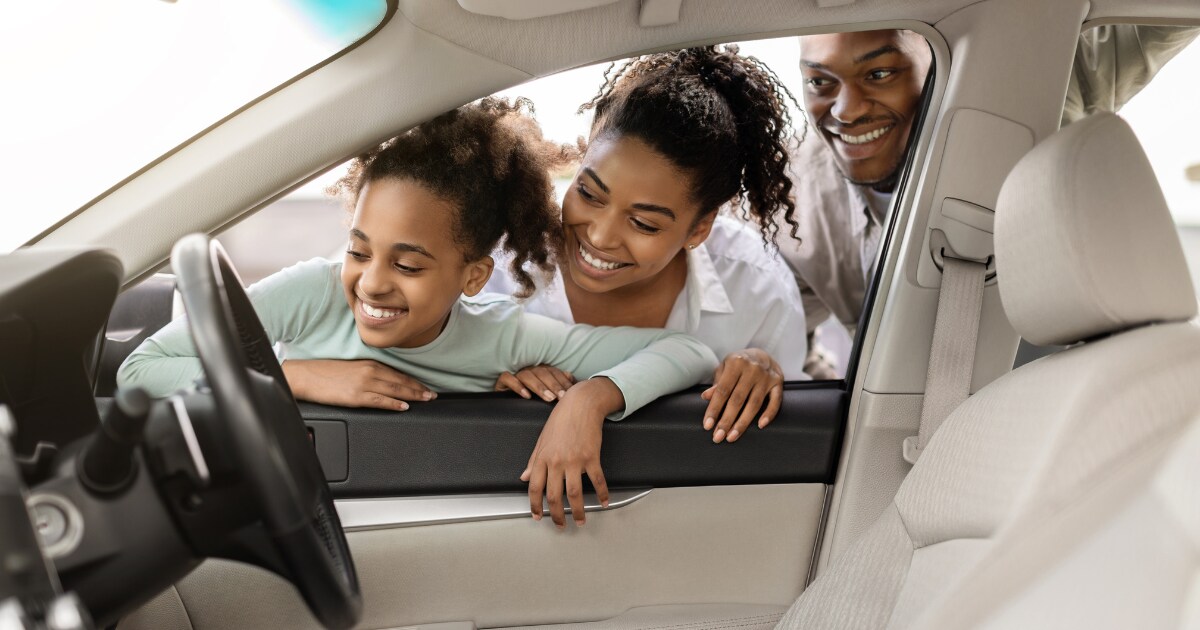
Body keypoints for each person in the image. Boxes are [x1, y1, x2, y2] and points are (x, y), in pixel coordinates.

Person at [117, 98, 718, 530]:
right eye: (359, 250)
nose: (371, 282)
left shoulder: (502, 337)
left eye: (408, 266)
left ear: (473, 277)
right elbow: (143, 369)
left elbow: (688, 353)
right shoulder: (314, 293)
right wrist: (291, 377)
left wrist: (589, 398)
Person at [783, 26, 1199, 378]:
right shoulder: (790, 199)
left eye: (880, 73)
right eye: (820, 81)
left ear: (937, 61)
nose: (847, 110)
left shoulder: (1040, 90)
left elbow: (1157, 25)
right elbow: (787, 347)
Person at [485, 45, 808, 446]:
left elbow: (794, 438)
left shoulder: (757, 291)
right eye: (588, 193)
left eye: (643, 223)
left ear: (699, 229)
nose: (600, 236)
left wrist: (766, 372)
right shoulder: (496, 264)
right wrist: (480, 381)